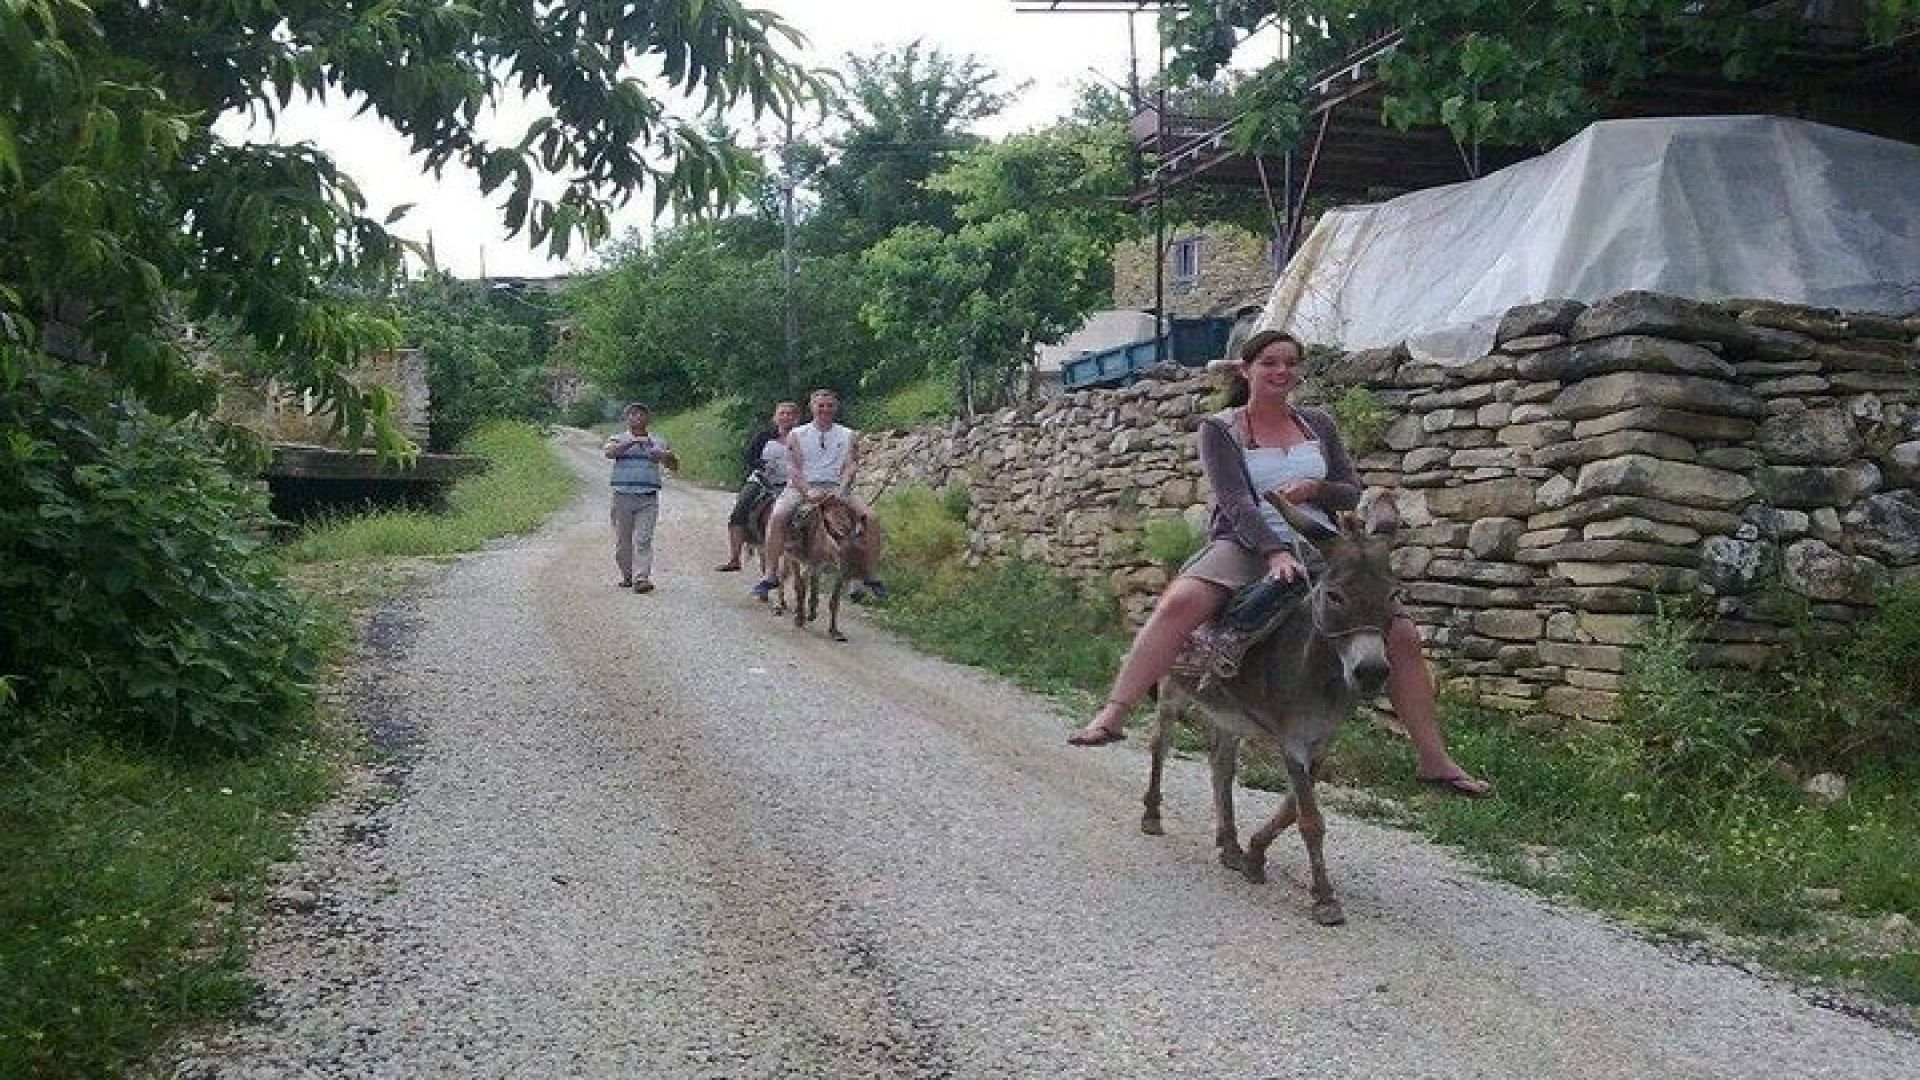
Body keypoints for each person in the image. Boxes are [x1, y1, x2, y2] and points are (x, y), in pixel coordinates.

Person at [1066, 330, 1491, 798]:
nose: (1281, 371)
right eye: (1269, 362)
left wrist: (1316, 490)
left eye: (1290, 362)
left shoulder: (1318, 424)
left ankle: (1433, 759)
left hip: (1323, 546)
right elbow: (1235, 502)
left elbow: (1350, 491)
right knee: (1179, 603)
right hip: (1243, 543)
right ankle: (1115, 713)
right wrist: (1274, 551)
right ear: (1245, 369)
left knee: (1403, 634)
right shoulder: (1221, 429)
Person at [753, 388, 888, 602]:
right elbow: (794, 468)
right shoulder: (798, 434)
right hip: (802, 487)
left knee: (871, 518)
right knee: (778, 516)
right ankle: (770, 575)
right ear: (812, 408)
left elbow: (851, 464)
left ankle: (870, 575)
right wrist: (808, 491)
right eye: (820, 405)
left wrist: (843, 487)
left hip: (837, 487)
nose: (825, 409)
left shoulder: (847, 434)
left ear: (836, 408)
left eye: (829, 405)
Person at [603, 402, 680, 594]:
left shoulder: (658, 441)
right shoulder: (617, 438)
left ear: (648, 419)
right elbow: (609, 453)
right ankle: (627, 575)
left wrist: (664, 455)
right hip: (622, 496)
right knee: (623, 541)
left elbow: (674, 466)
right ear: (627, 419)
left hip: (648, 497)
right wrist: (632, 442)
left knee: (643, 539)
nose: (637, 417)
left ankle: (641, 578)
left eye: (641, 414)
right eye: (633, 414)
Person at [717, 400, 802, 574]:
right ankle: (735, 558)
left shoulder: (804, 437)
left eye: (790, 414)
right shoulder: (764, 436)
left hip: (793, 483)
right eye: (782, 413)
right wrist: (761, 464)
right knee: (741, 507)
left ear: (797, 418)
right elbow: (749, 456)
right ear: (775, 417)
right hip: (762, 480)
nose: (786, 417)